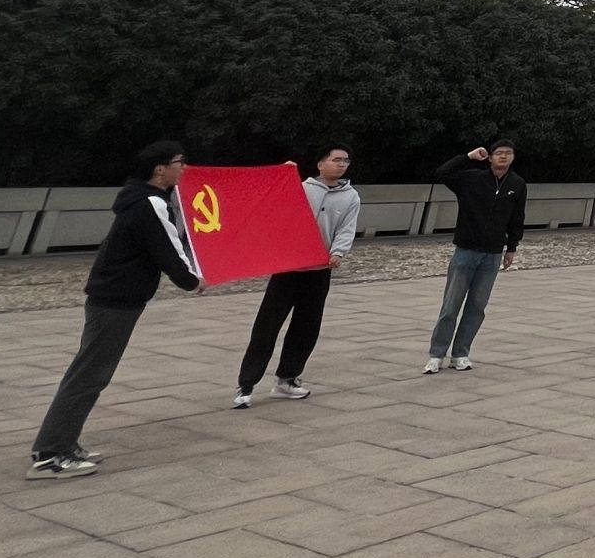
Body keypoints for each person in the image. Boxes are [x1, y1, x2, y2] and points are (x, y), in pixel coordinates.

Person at [29, 140, 202, 478]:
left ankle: (63, 443)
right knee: (89, 375)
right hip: (116, 299)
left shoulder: (138, 198)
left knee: (90, 373)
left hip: (114, 296)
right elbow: (168, 250)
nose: (184, 168)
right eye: (180, 162)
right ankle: (50, 455)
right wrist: (192, 281)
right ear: (160, 169)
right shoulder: (150, 202)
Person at [234, 143, 359, 408]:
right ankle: (246, 384)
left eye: (346, 161)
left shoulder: (350, 197)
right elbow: (270, 205)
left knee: (306, 326)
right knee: (267, 325)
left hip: (319, 270)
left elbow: (347, 228)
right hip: (288, 268)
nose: (341, 164)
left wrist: (338, 251)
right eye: (336, 159)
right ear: (320, 163)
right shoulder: (300, 188)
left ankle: (287, 378)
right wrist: (282, 175)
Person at [425, 140, 525, 373]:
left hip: (492, 254)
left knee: (477, 307)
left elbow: (517, 217)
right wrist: (467, 157)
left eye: (508, 153)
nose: (503, 156)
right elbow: (442, 173)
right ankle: (437, 354)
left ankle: (461, 353)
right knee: (451, 306)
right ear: (489, 157)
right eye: (498, 153)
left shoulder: (517, 184)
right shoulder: (471, 179)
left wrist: (512, 247)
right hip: (466, 250)